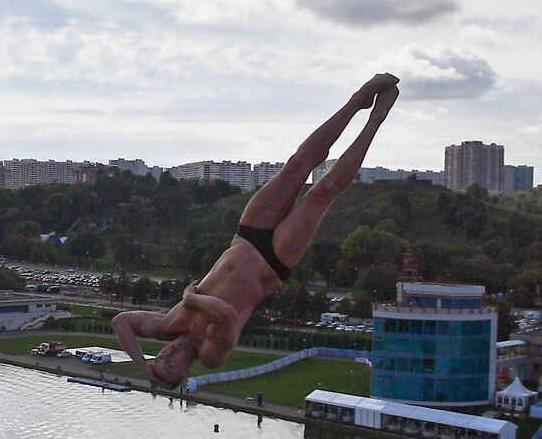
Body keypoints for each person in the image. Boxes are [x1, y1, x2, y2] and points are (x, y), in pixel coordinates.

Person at [112, 73, 401, 389]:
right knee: (324, 190)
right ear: (186, 374)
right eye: (169, 368)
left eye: (159, 360)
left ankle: (357, 101)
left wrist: (142, 367)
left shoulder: (166, 325)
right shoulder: (210, 355)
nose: (165, 358)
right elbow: (224, 314)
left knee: (296, 165)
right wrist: (189, 297)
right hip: (270, 263)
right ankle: (376, 118)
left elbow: (121, 322)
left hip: (246, 237)